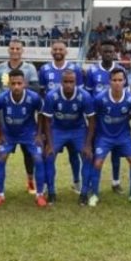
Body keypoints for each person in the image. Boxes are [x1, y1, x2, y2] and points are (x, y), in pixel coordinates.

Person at [42, 69, 96, 206]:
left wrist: (88, 144)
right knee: (49, 156)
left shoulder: (85, 96)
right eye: (65, 82)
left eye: (71, 82)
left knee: (87, 156)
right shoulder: (51, 96)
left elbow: (92, 120)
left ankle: (84, 193)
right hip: (58, 129)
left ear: (76, 82)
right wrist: (49, 143)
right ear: (61, 82)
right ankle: (51, 192)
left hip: (78, 130)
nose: (68, 85)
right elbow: (47, 121)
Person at [0, 38, 40, 194]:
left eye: (17, 48)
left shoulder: (30, 68)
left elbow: (35, 88)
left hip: (25, 115)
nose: (14, 51)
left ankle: (30, 181)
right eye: (12, 48)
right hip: (4, 115)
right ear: (8, 50)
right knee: (1, 152)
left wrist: (19, 88)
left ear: (22, 50)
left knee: (28, 152)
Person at [0, 69, 46, 207]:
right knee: (0, 158)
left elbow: (41, 114)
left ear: (25, 84)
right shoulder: (1, 98)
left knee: (38, 159)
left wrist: (39, 133)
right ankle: (0, 194)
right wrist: (0, 132)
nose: (16, 86)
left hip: (29, 134)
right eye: (13, 83)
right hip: (9, 134)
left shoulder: (34, 97)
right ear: (9, 84)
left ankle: (39, 194)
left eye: (19, 83)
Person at [38, 40, 85, 192]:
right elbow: (42, 93)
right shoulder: (44, 69)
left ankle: (77, 181)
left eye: (61, 49)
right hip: (53, 122)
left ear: (66, 52)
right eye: (55, 49)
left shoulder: (75, 69)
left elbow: (81, 95)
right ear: (51, 52)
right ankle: (47, 183)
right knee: (50, 153)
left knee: (74, 155)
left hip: (74, 121)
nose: (58, 51)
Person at [89, 68, 131, 207]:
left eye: (120, 80)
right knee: (98, 162)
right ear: (109, 82)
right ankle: (94, 194)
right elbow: (93, 117)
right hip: (104, 137)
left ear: (124, 81)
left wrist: (125, 119)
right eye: (114, 80)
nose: (117, 83)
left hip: (123, 136)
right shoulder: (100, 99)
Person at [85, 39, 126, 194]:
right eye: (105, 51)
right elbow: (88, 95)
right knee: (96, 153)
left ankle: (116, 182)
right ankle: (92, 183)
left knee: (116, 153)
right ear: (100, 52)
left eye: (111, 51)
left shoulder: (120, 70)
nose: (108, 54)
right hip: (98, 120)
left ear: (115, 53)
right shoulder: (93, 71)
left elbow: (126, 95)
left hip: (117, 121)